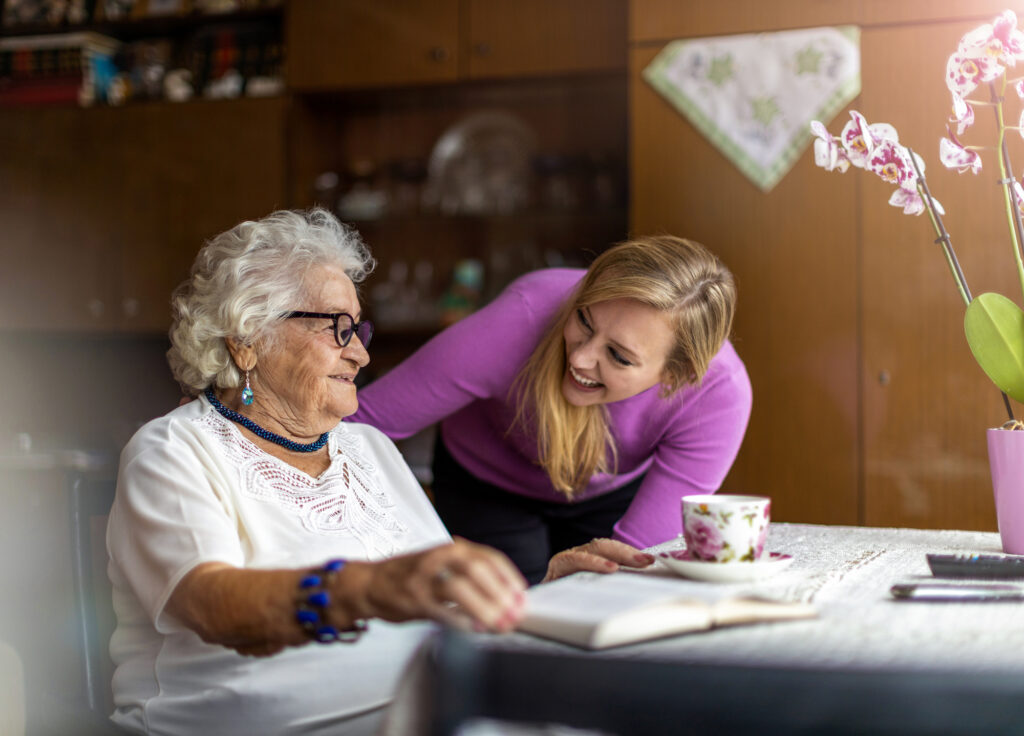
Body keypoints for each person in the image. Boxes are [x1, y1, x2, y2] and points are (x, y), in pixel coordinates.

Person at [106, 208, 652, 736]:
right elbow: (213, 604)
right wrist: (367, 588)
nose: (361, 357)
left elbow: (437, 599)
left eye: (358, 331)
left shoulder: (367, 448)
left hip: (424, 713)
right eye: (336, 330)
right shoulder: (175, 449)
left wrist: (538, 593)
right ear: (247, 342)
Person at [349, 236, 752, 584]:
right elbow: (357, 423)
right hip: (487, 483)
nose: (581, 358)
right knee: (502, 622)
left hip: (610, 492)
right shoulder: (521, 317)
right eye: (584, 320)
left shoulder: (718, 395)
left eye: (618, 356)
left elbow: (634, 566)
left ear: (676, 376)